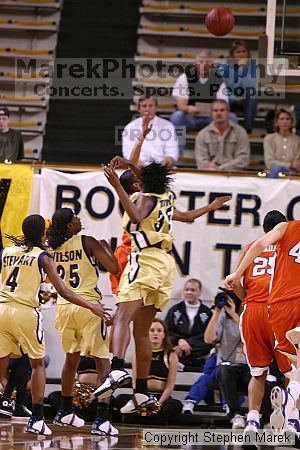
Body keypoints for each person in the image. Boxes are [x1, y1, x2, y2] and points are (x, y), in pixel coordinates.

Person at [0, 214, 110, 436]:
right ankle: (39, 418)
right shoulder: (42, 256)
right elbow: (64, 291)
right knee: (37, 365)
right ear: (41, 232)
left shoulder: (6, 252)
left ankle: (10, 403)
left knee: (4, 363)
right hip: (26, 312)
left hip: (2, 310)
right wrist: (92, 306)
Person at [93, 162, 177, 414]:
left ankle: (117, 368)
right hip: (165, 265)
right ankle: (141, 390)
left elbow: (138, 214)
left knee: (121, 319)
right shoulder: (167, 195)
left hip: (141, 260)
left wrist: (117, 184)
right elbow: (147, 176)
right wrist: (131, 161)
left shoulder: (141, 198)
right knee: (141, 331)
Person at [47, 208, 119, 436]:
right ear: (70, 225)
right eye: (75, 217)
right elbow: (115, 268)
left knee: (71, 361)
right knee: (103, 364)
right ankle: (102, 419)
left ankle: (65, 411)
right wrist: (107, 248)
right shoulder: (88, 241)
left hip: (65, 307)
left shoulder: (52, 249)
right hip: (89, 306)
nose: (79, 219)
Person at [225, 216, 300, 434]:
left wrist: (245, 297)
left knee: (258, 372)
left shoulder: (250, 248)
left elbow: (235, 285)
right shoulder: (282, 242)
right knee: (292, 370)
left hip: (255, 310)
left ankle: (252, 420)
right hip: (279, 306)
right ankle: (291, 417)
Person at [114, 319, 182, 421]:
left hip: (160, 397)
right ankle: (149, 416)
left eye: (159, 330)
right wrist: (139, 400)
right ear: (147, 334)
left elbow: (170, 385)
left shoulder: (171, 356)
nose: (155, 333)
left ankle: (144, 416)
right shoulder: (138, 354)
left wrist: (158, 404)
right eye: (152, 330)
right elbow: (135, 381)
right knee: (120, 399)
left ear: (164, 335)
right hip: (142, 396)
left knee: (176, 405)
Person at [170, 50, 237, 153]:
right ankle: (178, 154)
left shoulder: (218, 80)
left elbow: (224, 104)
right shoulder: (185, 77)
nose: (204, 65)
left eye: (208, 62)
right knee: (177, 116)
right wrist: (188, 108)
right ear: (196, 64)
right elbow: (181, 104)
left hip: (211, 118)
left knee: (232, 118)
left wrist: (214, 111)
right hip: (191, 117)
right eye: (201, 62)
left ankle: (224, 155)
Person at [204, 289, 250, 429]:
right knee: (224, 371)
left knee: (262, 379)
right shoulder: (222, 318)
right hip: (228, 366)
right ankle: (236, 414)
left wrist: (234, 314)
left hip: (248, 366)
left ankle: (261, 418)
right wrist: (217, 312)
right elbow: (208, 339)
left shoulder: (248, 315)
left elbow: (249, 336)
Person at [165, 279, 212, 369]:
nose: (189, 292)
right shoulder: (175, 310)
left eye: (193, 290)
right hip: (177, 344)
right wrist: (179, 340)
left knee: (208, 343)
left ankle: (181, 360)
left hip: (195, 346)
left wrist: (186, 344)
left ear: (199, 292)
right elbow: (167, 330)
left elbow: (207, 335)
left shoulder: (207, 312)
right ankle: (192, 360)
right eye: (187, 290)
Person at [195, 100, 250, 171]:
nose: (219, 113)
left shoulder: (240, 132)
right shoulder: (202, 134)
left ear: (228, 112)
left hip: (233, 172)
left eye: (222, 110)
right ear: (211, 113)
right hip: (211, 172)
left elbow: (243, 158)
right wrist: (211, 166)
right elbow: (201, 159)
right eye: (215, 110)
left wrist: (224, 167)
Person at [122, 97, 179, 166]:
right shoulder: (129, 127)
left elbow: (172, 150)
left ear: (156, 108)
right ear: (139, 109)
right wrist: (138, 165)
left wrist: (168, 160)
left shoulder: (168, 126)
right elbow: (128, 152)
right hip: (139, 168)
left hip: (162, 167)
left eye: (150, 106)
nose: (147, 109)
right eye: (144, 106)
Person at [219, 40, 258, 133]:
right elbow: (221, 86)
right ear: (232, 54)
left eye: (244, 51)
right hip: (228, 95)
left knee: (253, 94)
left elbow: (251, 85)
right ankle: (224, 127)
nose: (241, 54)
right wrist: (233, 98)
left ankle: (247, 128)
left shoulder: (253, 64)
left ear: (248, 53)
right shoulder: (224, 65)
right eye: (238, 52)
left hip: (245, 97)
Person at [264, 109, 300, 178]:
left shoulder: (298, 140)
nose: (285, 121)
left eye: (287, 119)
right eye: (282, 119)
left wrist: (291, 166)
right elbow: (270, 162)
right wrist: (290, 165)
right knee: (277, 168)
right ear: (277, 122)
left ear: (292, 122)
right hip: (272, 172)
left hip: (292, 173)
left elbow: (297, 164)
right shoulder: (269, 139)